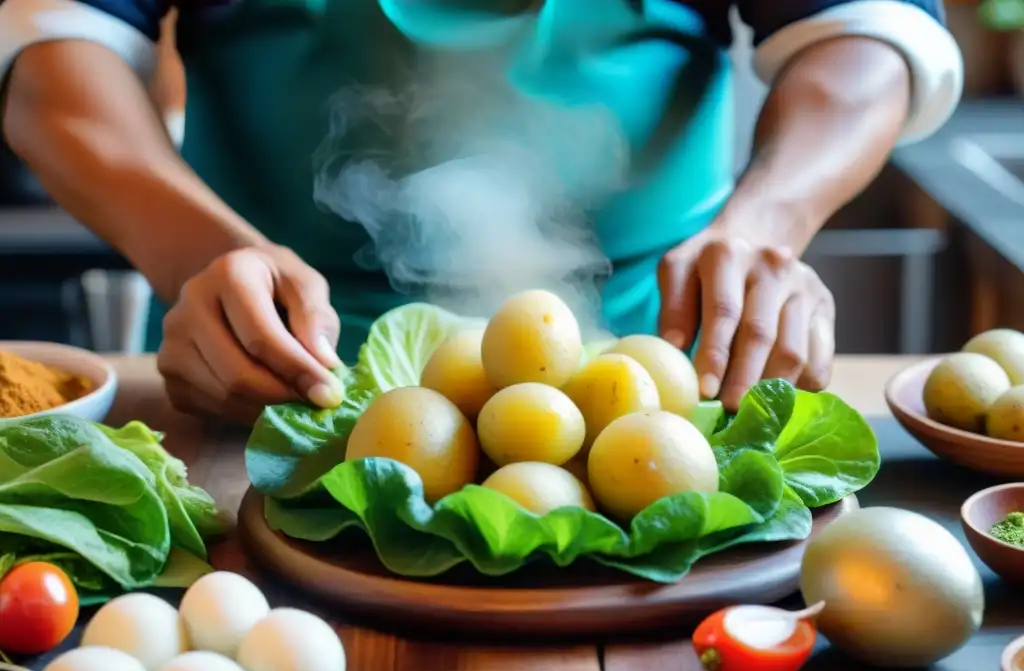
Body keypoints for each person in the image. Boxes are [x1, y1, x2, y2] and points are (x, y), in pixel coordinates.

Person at [0, 0, 962, 422]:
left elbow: (864, 35)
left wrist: (765, 224)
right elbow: (54, 61)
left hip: (664, 381)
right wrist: (197, 256)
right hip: (266, 385)